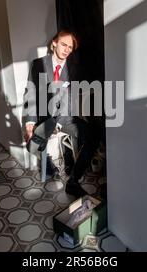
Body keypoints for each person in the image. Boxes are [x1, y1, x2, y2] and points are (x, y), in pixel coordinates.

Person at [23, 30, 96, 197]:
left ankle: (73, 181)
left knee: (93, 135)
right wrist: (29, 122)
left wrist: (60, 123)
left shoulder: (72, 69)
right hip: (44, 117)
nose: (66, 50)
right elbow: (30, 94)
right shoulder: (38, 64)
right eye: (64, 44)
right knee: (32, 144)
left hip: (64, 118)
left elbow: (69, 98)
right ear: (54, 43)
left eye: (70, 47)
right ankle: (45, 159)